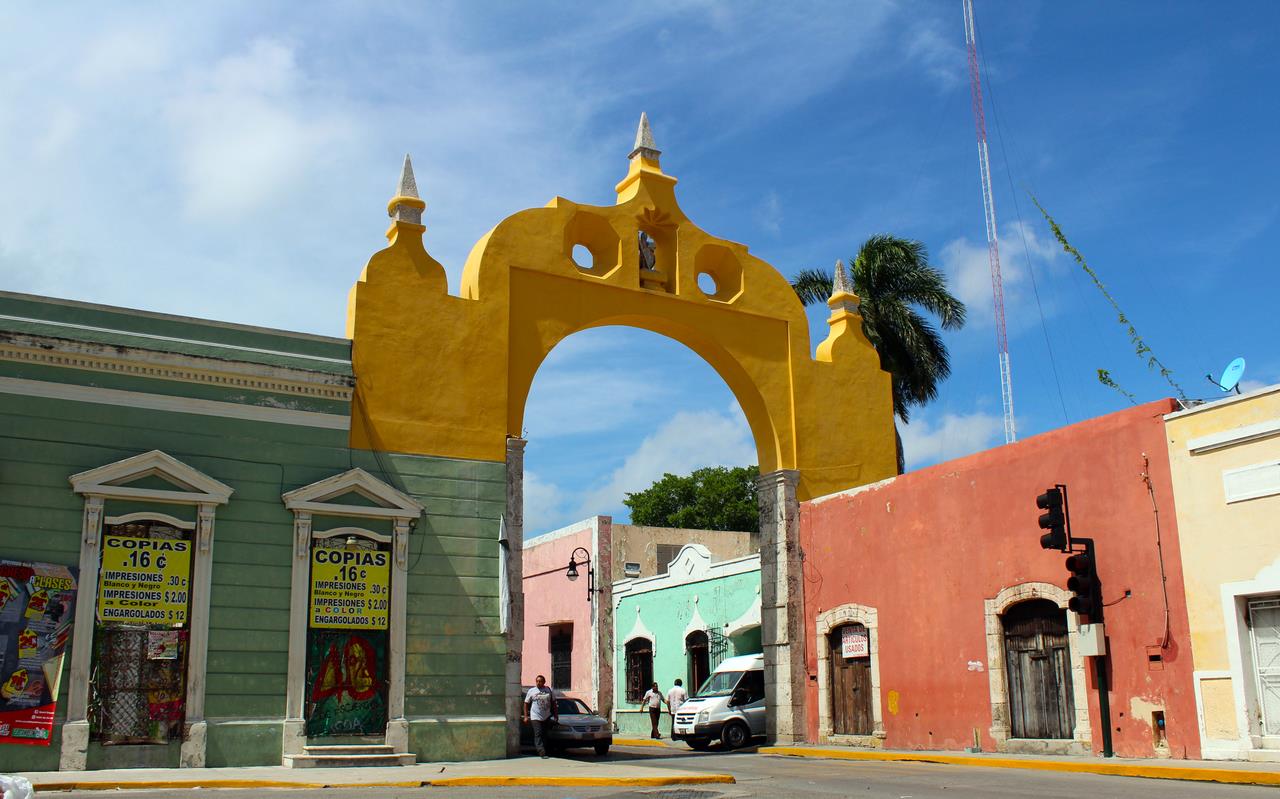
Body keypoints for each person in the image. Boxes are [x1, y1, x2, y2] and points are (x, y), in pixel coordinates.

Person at [523, 675, 558, 758]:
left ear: (544, 682)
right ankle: (541, 752)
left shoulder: (549, 690)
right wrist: (526, 716)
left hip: (546, 716)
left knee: (544, 734)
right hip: (535, 716)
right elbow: (526, 703)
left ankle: (544, 749)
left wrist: (556, 715)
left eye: (540, 681)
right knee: (538, 733)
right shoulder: (532, 691)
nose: (539, 683)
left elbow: (554, 703)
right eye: (537, 681)